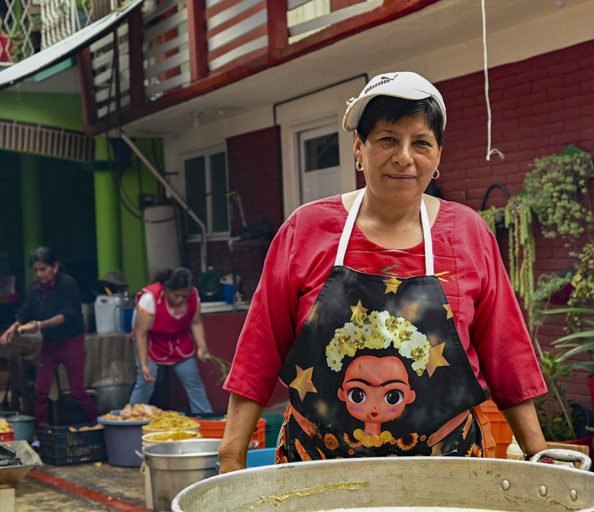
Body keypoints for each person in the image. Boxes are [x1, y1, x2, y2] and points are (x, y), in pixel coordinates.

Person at [218, 72, 547, 472]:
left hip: (449, 476)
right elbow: (259, 351)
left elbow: (507, 354)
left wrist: (538, 455)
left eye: (421, 143)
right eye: (388, 139)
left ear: (438, 155)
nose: (404, 156)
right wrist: (231, 458)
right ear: (359, 148)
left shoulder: (467, 233)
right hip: (316, 473)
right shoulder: (306, 230)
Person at [0, 247, 99, 426]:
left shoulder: (67, 284)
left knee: (77, 392)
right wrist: (13, 328)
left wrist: (40, 325)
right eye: (36, 270)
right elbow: (25, 312)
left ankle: (99, 424)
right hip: (50, 343)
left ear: (54, 267)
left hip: (71, 341)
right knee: (40, 392)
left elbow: (66, 315)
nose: (39, 274)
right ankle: (41, 435)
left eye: (43, 269)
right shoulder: (35, 287)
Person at [128, 267, 213, 415]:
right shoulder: (150, 299)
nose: (180, 300)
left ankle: (205, 418)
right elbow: (141, 334)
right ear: (166, 289)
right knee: (145, 381)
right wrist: (144, 364)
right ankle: (131, 420)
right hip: (151, 342)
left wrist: (202, 346)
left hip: (179, 341)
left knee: (194, 381)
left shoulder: (193, 296)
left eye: (184, 296)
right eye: (176, 295)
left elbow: (196, 323)